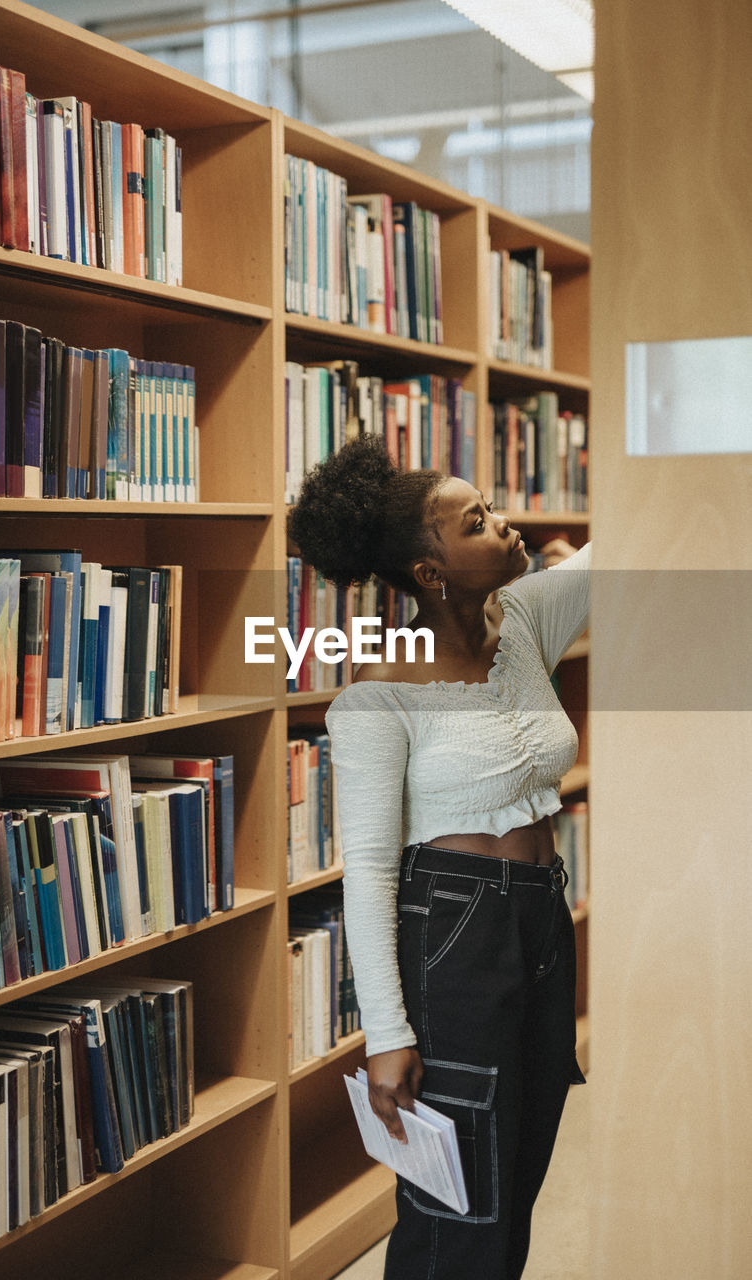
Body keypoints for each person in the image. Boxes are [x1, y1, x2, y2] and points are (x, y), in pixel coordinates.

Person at [288, 434, 590, 1280]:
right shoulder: (378, 693)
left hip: (539, 913)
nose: (503, 525)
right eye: (476, 522)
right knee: (460, 1202)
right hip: (452, 926)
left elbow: (635, 536)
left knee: (518, 1171)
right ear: (431, 571)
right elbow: (371, 872)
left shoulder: (526, 619)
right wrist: (384, 1035)